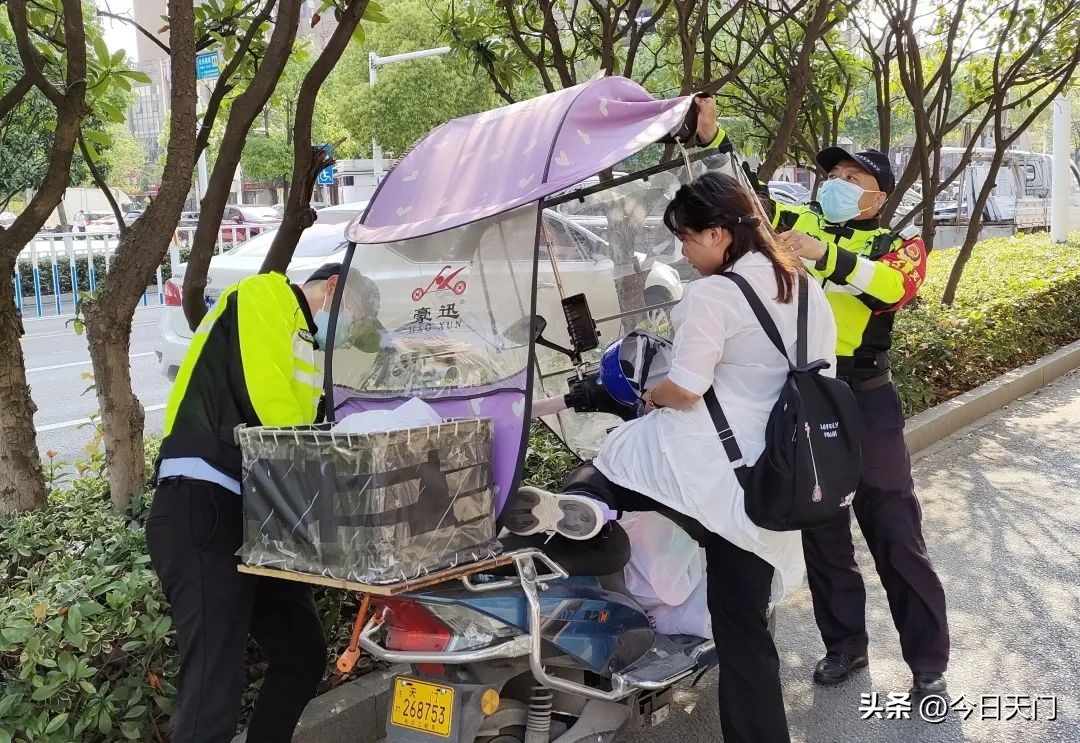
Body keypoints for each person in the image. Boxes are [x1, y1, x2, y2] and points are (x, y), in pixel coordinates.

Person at [504, 168, 838, 743]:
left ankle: (587, 507)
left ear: (718, 234)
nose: (683, 252)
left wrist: (650, 396)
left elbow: (685, 389)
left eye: (686, 238)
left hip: (714, 467)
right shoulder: (804, 286)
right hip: (783, 473)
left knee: (618, 456)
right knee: (743, 629)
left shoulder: (715, 294)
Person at [716, 117, 949, 694]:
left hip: (866, 399)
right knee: (823, 528)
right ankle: (845, 646)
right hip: (808, 397)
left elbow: (893, 288)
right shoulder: (799, 222)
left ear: (879, 196)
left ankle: (927, 658)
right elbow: (746, 195)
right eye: (834, 174)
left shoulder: (898, 246)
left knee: (893, 526)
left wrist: (826, 254)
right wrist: (713, 138)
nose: (837, 184)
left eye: (852, 178)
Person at [146, 263, 359, 742]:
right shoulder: (267, 294)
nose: (349, 331)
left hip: (256, 517)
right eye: (356, 315)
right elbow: (272, 413)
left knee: (301, 653)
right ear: (333, 287)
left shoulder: (308, 346)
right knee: (213, 686)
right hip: (204, 501)